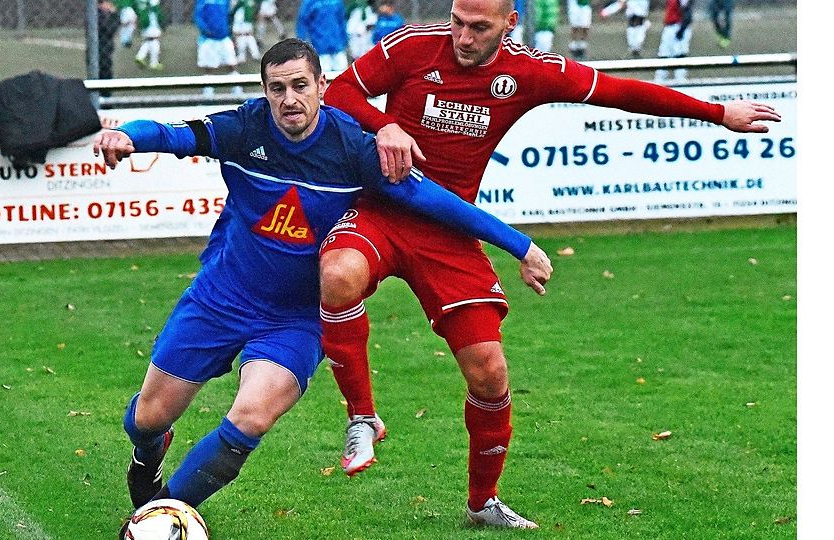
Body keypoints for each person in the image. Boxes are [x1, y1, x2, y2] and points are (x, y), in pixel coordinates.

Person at [319, 0, 781, 528]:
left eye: (478, 28)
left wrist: (719, 114)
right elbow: (339, 91)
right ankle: (362, 416)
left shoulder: (529, 71)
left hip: (451, 232)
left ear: (509, 24)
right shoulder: (413, 45)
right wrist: (385, 126)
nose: (462, 37)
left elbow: (620, 93)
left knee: (490, 374)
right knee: (336, 275)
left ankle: (482, 503)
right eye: (456, 22)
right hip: (382, 212)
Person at [93, 37, 552, 536]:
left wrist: (520, 245)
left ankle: (161, 514)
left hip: (297, 320)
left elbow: (435, 202)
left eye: (299, 86)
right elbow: (170, 132)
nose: (289, 99)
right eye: (277, 89)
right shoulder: (243, 128)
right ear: (264, 92)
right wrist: (128, 137)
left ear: (321, 87)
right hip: (221, 298)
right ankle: (148, 452)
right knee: (147, 418)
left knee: (250, 418)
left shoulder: (353, 147)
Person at [194, 0, 239, 94]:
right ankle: (208, 95)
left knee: (232, 64)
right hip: (209, 40)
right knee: (208, 67)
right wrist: (205, 29)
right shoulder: (203, 1)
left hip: (224, 37)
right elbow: (198, 16)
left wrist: (230, 32)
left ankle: (237, 92)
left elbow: (229, 15)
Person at [297, 0, 349, 72]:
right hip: (320, 47)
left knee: (342, 74)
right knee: (324, 75)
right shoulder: (310, 2)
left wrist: (345, 39)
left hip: (338, 46)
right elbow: (302, 21)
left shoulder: (336, 2)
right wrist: (301, 42)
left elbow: (341, 20)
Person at [654, 0, 693, 84]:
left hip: (677, 25)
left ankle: (680, 79)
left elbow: (687, 11)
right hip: (670, 26)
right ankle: (660, 78)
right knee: (664, 53)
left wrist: (682, 29)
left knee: (679, 53)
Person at [96, 0, 121, 96]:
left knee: (107, 76)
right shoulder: (98, 16)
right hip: (101, 52)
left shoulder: (103, 15)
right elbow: (109, 29)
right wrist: (114, 15)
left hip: (106, 52)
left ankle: (106, 99)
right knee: (103, 77)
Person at [134, 0, 165, 70]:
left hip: (146, 29)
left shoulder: (144, 9)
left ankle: (140, 56)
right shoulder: (152, 10)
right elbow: (159, 17)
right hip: (151, 29)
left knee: (148, 43)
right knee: (155, 44)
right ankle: (153, 63)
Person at [232, 0, 262, 66]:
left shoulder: (248, 8)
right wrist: (236, 33)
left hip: (247, 31)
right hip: (241, 34)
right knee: (242, 44)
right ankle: (241, 58)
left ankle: (255, 56)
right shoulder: (239, 12)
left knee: (251, 41)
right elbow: (236, 26)